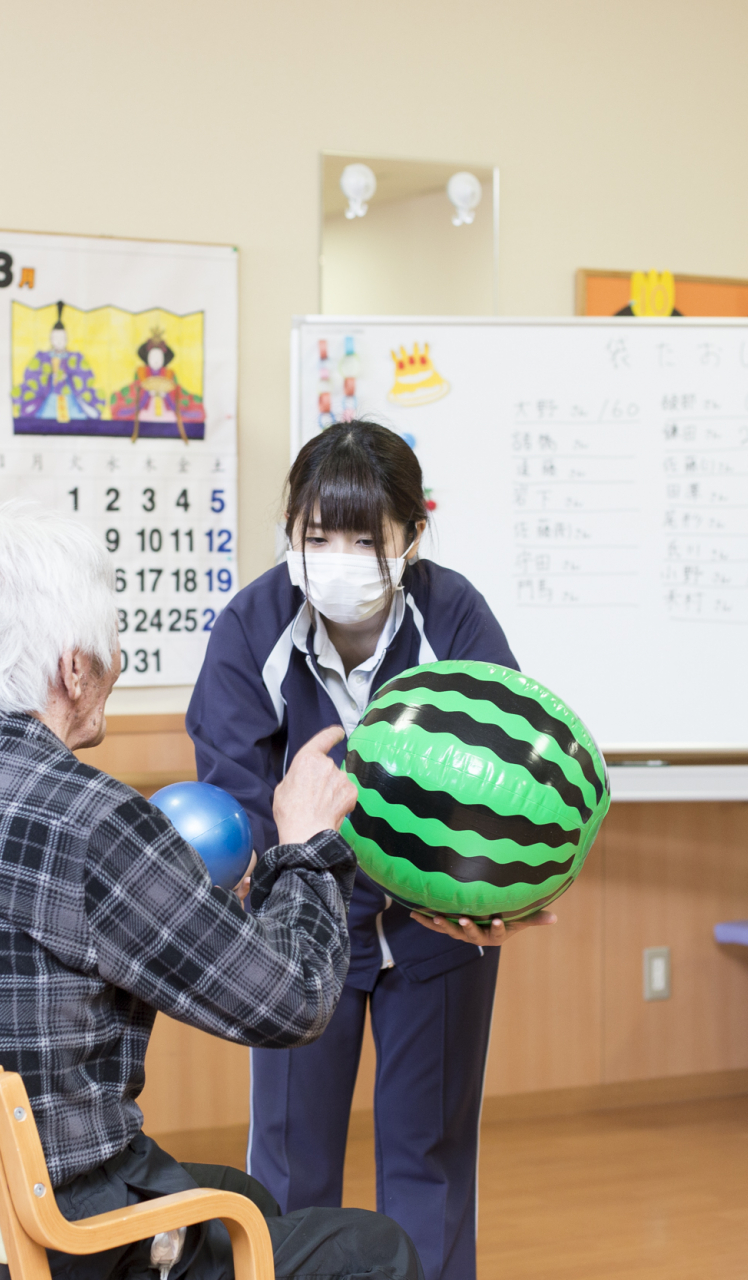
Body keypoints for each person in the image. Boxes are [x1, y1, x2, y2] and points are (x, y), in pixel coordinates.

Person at [0, 503, 420, 1280]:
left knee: (239, 1193)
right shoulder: (93, 819)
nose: (118, 664)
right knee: (374, 1252)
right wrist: (306, 845)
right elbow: (294, 1001)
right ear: (74, 669)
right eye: (111, 648)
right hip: (57, 1235)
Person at [187, 421, 548, 1280]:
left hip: (434, 928)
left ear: (412, 538)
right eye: (318, 536)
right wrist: (273, 869)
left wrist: (499, 895)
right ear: (291, 531)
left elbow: (506, 779)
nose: (338, 557)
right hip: (301, 927)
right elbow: (237, 792)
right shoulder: (252, 627)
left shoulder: (453, 613)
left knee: (432, 1157)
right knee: (290, 1164)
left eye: (366, 538)